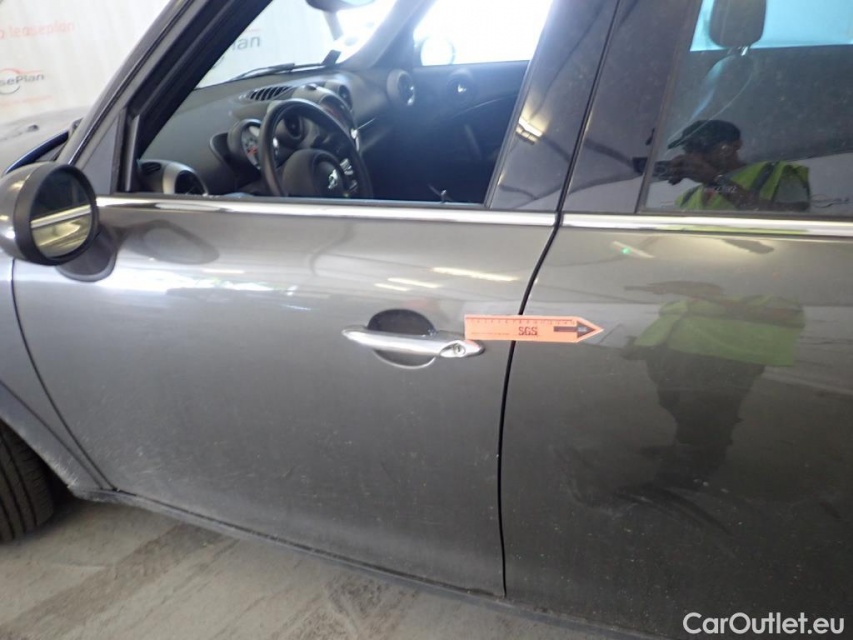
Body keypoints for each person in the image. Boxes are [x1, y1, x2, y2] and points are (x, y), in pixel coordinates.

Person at [665, 120, 810, 212]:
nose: (694, 157)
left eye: (702, 147)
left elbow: (794, 217)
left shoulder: (776, 173)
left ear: (732, 147)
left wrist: (715, 181)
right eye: (688, 149)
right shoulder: (686, 198)